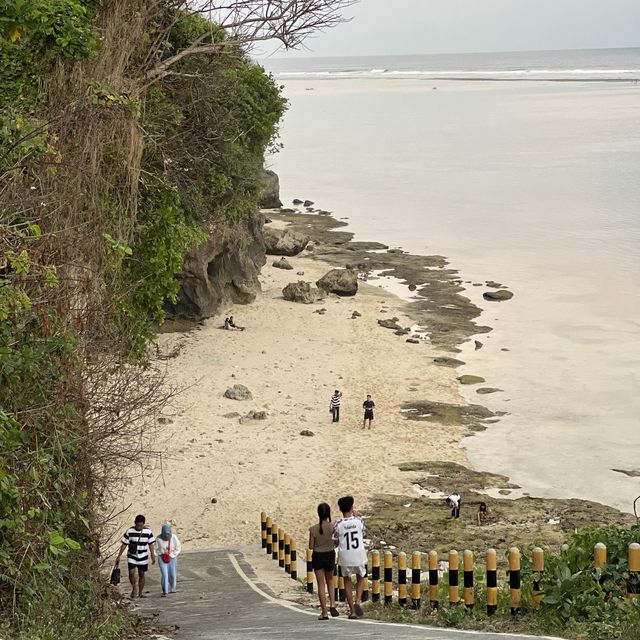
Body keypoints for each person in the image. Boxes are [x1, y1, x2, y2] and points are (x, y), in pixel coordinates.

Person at [333, 496, 366, 619]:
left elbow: (335, 541)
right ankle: (358, 601)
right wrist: (356, 515)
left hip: (345, 556)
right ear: (352, 507)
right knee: (361, 577)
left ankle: (352, 611)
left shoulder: (338, 524)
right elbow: (363, 532)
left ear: (341, 509)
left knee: (347, 581)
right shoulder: (359, 522)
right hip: (358, 554)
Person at [309, 503, 339, 620]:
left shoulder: (313, 529)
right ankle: (332, 604)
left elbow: (311, 546)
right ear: (329, 514)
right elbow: (336, 543)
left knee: (321, 584)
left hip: (318, 556)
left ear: (318, 514)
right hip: (330, 554)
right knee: (330, 581)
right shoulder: (333, 527)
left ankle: (324, 612)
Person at [115, 515, 156, 598]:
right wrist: (119, 556)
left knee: (142, 574)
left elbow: (151, 544)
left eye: (141, 525)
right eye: (137, 525)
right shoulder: (129, 531)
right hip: (132, 555)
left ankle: (140, 593)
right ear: (135, 523)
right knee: (131, 573)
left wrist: (152, 554)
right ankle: (134, 587)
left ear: (144, 524)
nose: (139, 527)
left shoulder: (148, 532)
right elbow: (124, 544)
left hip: (143, 556)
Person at [155, 523, 182, 596]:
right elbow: (155, 549)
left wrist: (171, 554)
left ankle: (173, 588)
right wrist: (160, 553)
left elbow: (178, 548)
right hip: (162, 558)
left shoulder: (173, 537)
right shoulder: (158, 538)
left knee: (172, 573)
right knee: (164, 574)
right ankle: (165, 590)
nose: (166, 536)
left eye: (167, 534)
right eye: (165, 534)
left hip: (172, 558)